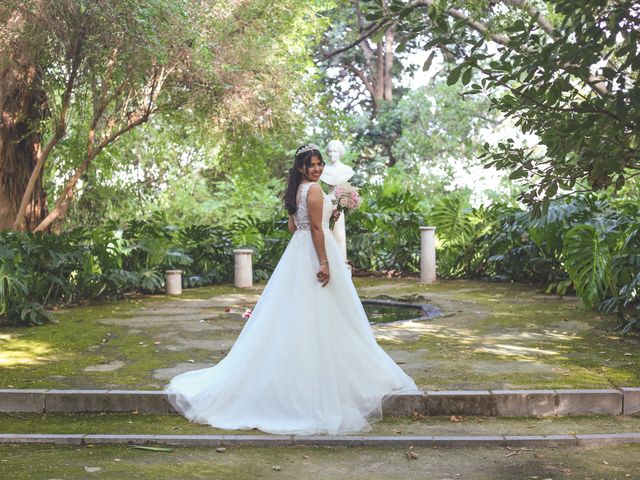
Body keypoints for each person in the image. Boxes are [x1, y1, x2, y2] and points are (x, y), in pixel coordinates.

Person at [165, 144, 420, 435]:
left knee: (299, 317)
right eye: (311, 165)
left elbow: (293, 227)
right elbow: (313, 229)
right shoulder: (311, 190)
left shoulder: (297, 190)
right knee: (325, 315)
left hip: (297, 252)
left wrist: (330, 215)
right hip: (313, 253)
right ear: (301, 167)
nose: (317, 169)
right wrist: (324, 261)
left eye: (319, 164)